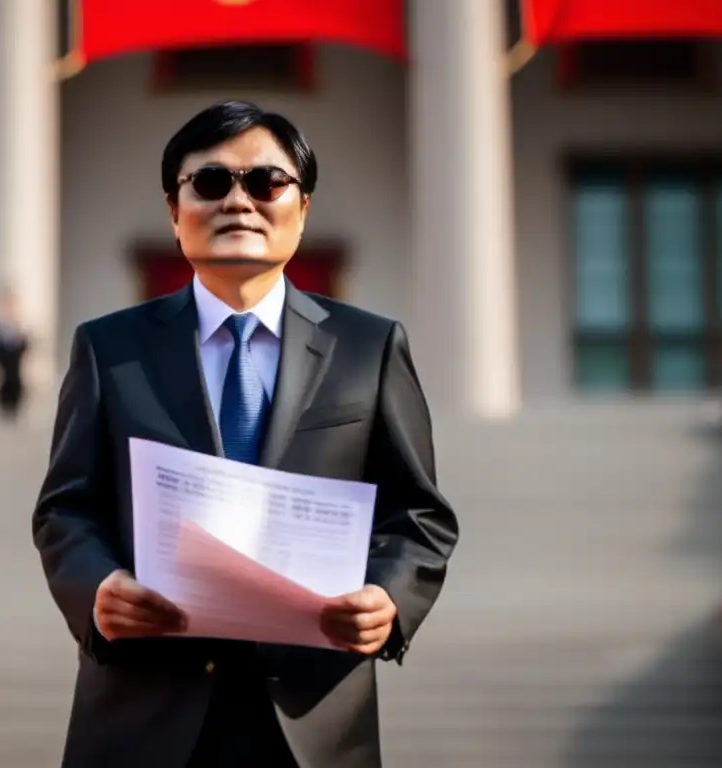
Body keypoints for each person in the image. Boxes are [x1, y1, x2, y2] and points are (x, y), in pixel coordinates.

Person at [32, 100, 459, 768]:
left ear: (303, 208)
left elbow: (420, 514)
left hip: (314, 720)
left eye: (265, 183)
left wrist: (387, 598)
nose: (239, 201)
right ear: (175, 213)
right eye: (209, 183)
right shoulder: (108, 348)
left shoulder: (368, 347)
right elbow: (66, 509)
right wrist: (100, 591)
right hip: (146, 712)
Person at [0, 287, 29, 421]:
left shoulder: (20, 329)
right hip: (2, 379)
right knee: (3, 412)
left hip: (17, 377)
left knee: (16, 410)